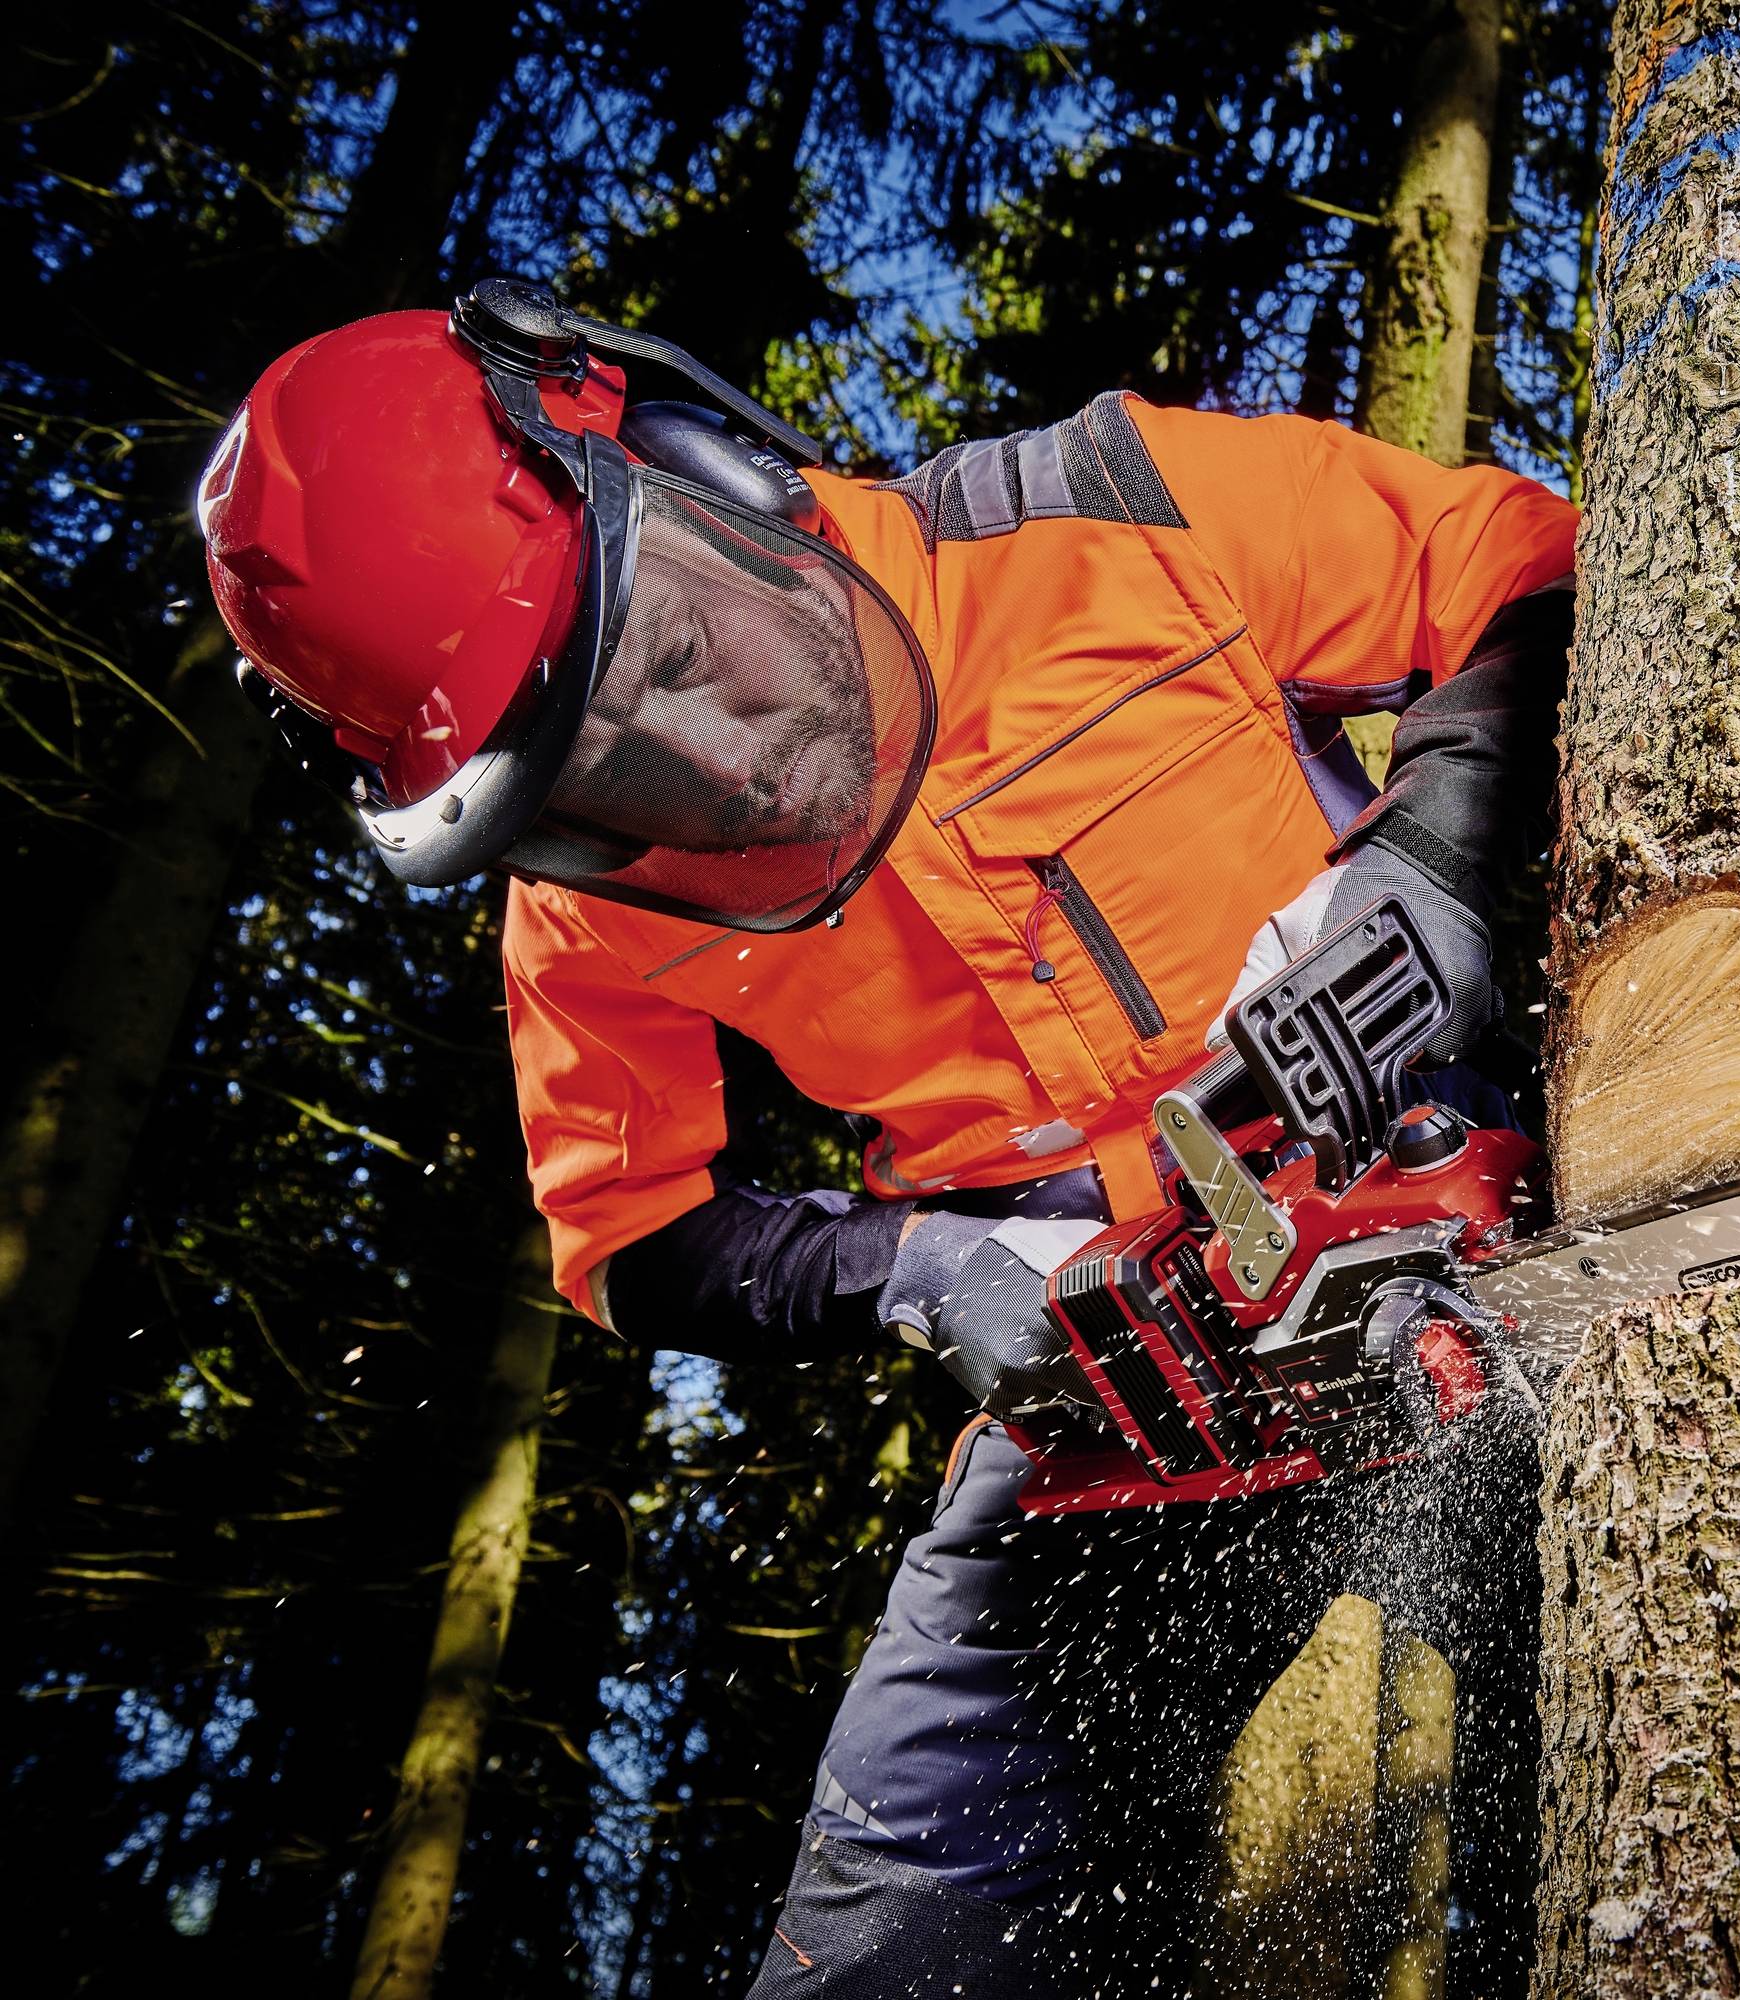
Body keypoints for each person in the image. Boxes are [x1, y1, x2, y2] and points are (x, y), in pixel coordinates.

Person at [199, 281, 1575, 1994]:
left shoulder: (1104, 508)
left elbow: (1516, 559)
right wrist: (922, 1269)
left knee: (1662, 1753)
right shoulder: (585, 922)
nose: (723, 764)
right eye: (615, 776)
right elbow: (629, 1238)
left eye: (680, 657)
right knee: (897, 1928)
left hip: (1442, 1199)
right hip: (1115, 1369)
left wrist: (1429, 857)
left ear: (697, 458)